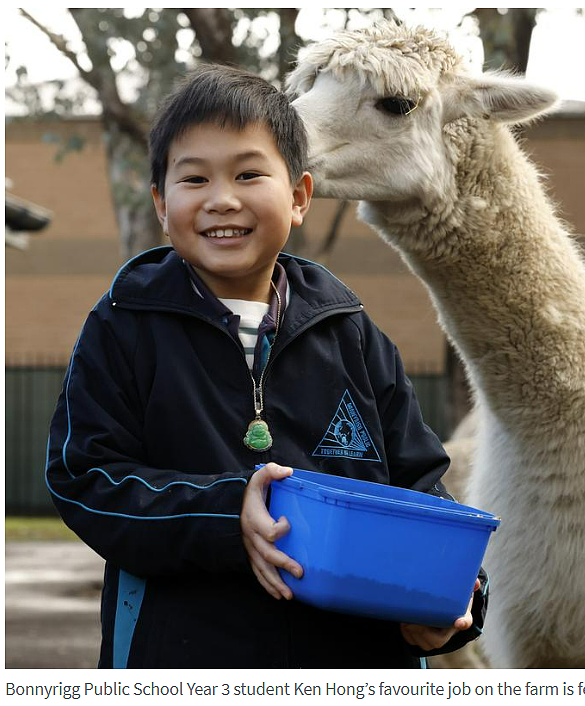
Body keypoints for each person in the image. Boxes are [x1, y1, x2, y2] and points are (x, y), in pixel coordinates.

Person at [45, 64, 487, 668]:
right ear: (161, 205)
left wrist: (457, 603)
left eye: (249, 173)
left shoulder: (353, 333)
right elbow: (85, 479)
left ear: (300, 196)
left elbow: (421, 490)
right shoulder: (122, 326)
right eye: (194, 178)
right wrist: (231, 514)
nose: (222, 198)